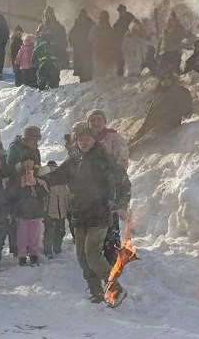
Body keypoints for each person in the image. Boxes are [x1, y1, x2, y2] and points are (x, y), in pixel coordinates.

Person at [47, 129, 132, 306]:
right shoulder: (74, 160)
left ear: (94, 140)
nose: (83, 142)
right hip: (79, 213)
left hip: (99, 213)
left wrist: (121, 205)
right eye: (80, 139)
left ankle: (116, 288)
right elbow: (57, 176)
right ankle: (96, 292)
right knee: (82, 257)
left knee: (93, 255)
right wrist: (39, 176)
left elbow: (123, 182)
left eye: (87, 139)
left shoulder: (104, 159)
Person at [87, 109, 130, 265]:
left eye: (99, 120)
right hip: (90, 189)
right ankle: (96, 256)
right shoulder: (85, 139)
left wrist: (109, 173)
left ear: (104, 122)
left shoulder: (114, 138)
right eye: (92, 120)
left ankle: (112, 256)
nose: (96, 123)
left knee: (111, 222)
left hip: (110, 186)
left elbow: (122, 160)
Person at [9, 157, 48, 266]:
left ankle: (34, 255)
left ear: (34, 163)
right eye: (25, 161)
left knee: (34, 236)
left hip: (36, 211)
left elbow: (45, 192)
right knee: (22, 236)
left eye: (30, 160)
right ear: (21, 163)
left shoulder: (40, 175)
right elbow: (12, 194)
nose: (28, 163)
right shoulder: (17, 176)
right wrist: (20, 186)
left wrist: (35, 183)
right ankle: (22, 256)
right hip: (22, 212)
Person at [137, 75, 195, 140]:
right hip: (152, 126)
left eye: (168, 77)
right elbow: (149, 115)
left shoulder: (181, 91)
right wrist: (140, 133)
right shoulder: (158, 94)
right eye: (163, 78)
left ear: (173, 79)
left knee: (150, 136)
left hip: (169, 125)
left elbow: (187, 111)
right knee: (139, 139)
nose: (165, 80)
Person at [35, 6, 67, 89]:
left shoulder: (57, 26)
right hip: (44, 56)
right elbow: (37, 41)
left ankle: (52, 86)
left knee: (53, 77)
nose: (47, 16)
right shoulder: (41, 27)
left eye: (49, 14)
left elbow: (63, 42)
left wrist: (61, 56)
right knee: (43, 76)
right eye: (46, 14)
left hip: (54, 54)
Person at [43, 161, 70, 258]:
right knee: (60, 230)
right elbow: (67, 197)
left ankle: (49, 249)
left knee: (50, 231)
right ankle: (55, 248)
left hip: (51, 211)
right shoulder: (63, 179)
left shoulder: (46, 178)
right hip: (60, 211)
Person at [89, 10, 118, 79]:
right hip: (98, 53)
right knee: (99, 74)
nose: (104, 20)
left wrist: (112, 50)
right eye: (103, 18)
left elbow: (114, 41)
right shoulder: (95, 28)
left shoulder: (110, 29)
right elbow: (89, 38)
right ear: (100, 19)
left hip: (108, 54)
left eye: (105, 18)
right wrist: (97, 39)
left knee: (109, 76)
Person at [69, 9, 95, 82]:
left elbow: (94, 33)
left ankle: (89, 77)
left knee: (88, 63)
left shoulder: (91, 24)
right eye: (82, 15)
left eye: (84, 15)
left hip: (88, 47)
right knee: (81, 64)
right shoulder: (77, 24)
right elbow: (72, 35)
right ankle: (82, 78)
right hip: (79, 48)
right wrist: (73, 43)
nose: (83, 17)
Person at [112, 3, 137, 77]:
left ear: (125, 10)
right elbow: (116, 30)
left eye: (122, 10)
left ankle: (133, 72)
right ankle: (120, 73)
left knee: (132, 56)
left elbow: (135, 26)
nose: (120, 12)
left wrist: (132, 34)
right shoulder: (118, 22)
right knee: (120, 57)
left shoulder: (130, 17)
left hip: (130, 40)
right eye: (119, 11)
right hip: (121, 41)